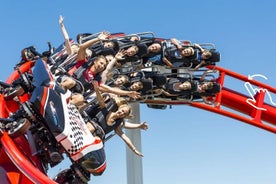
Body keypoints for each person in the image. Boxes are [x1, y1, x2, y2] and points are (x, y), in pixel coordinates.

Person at [84, 81, 148, 157]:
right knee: (91, 129)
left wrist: (134, 149)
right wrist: (97, 89)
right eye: (122, 111)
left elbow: (124, 137)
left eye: (124, 114)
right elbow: (101, 100)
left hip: (98, 136)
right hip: (91, 126)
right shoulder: (108, 109)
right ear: (119, 108)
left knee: (98, 146)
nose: (122, 113)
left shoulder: (117, 123)